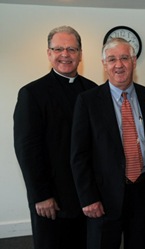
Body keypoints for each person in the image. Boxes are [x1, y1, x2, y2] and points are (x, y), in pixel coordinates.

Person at [70, 37, 145, 249]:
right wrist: (88, 198)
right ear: (104, 64)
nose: (118, 64)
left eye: (124, 58)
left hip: (142, 194)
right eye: (111, 59)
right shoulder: (88, 101)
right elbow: (79, 155)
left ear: (134, 62)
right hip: (103, 198)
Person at [13, 25, 97, 249]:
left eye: (72, 49)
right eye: (58, 48)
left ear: (80, 54)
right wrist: (40, 194)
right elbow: (27, 148)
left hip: (86, 195)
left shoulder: (93, 91)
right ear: (49, 53)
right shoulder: (32, 93)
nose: (65, 55)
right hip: (52, 198)